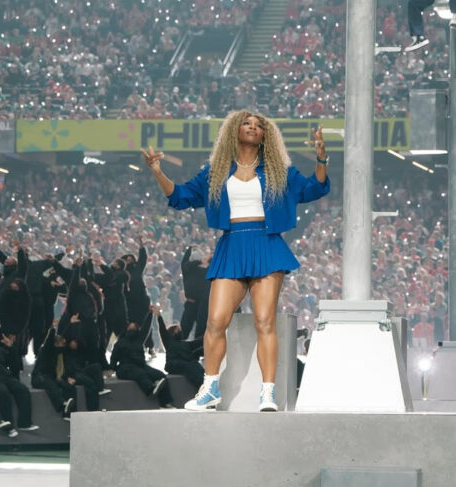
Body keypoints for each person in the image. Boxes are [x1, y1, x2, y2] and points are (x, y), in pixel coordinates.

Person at [141, 110, 330, 412]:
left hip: (266, 244)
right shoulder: (216, 170)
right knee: (215, 321)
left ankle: (267, 392)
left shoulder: (279, 170)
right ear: (234, 130)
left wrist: (321, 158)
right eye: (247, 124)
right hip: (232, 245)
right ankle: (210, 387)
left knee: (264, 320)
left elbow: (314, 188)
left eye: (259, 126)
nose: (253, 128)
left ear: (266, 135)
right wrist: (157, 171)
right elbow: (179, 197)